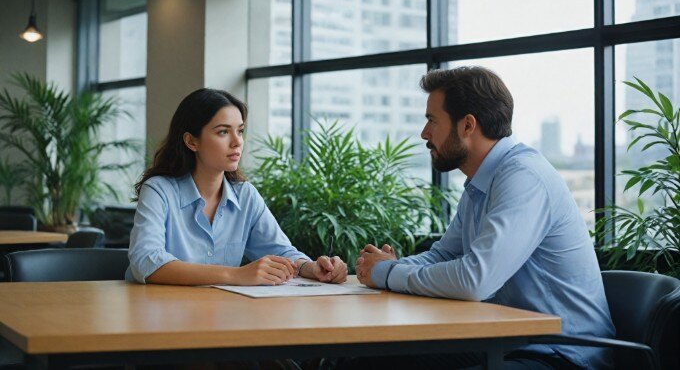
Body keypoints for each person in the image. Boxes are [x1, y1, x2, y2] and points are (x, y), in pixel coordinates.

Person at [354, 66, 615, 369]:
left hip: (563, 354)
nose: (424, 134)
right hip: (507, 343)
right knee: (369, 361)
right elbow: (444, 255)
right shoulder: (481, 184)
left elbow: (474, 280)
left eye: (432, 121)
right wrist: (386, 268)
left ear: (467, 125)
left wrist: (387, 274)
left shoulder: (522, 178)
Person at [126, 88, 347, 286]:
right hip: (161, 316)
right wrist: (236, 275)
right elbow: (146, 261)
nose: (237, 141)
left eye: (240, 131)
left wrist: (312, 268)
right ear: (191, 141)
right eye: (223, 131)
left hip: (224, 316)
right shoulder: (159, 191)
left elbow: (280, 251)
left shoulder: (245, 194)